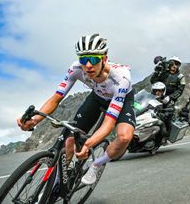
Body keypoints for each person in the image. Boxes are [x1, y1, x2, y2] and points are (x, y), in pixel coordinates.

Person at [17, 33, 135, 185]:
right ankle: (58, 181)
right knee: (70, 141)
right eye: (83, 60)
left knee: (125, 137)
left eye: (93, 59)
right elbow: (57, 98)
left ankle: (97, 164)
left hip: (122, 99)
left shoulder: (121, 78)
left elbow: (109, 122)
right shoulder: (76, 68)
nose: (88, 65)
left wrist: (89, 144)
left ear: (104, 59)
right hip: (97, 97)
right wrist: (35, 120)